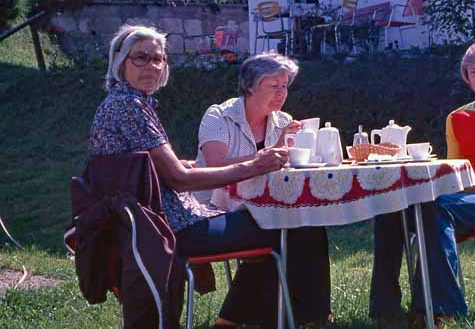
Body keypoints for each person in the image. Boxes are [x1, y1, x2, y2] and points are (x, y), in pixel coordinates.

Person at [88, 25, 328, 329]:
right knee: (288, 223)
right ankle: (296, 319)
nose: (151, 66)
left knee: (281, 222)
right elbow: (179, 181)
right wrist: (257, 164)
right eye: (141, 58)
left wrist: (177, 168)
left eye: (158, 59)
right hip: (171, 226)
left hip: (153, 221)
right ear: (120, 62)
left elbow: (149, 170)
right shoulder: (129, 106)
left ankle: (243, 318)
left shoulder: (130, 103)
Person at [369, 40, 475, 326]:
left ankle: (442, 310)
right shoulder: (457, 117)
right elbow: (452, 174)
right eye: (472, 72)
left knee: (435, 209)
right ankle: (384, 309)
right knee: (390, 207)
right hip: (461, 199)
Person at [195, 52, 332, 327]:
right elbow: (215, 165)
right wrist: (271, 152)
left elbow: (289, 170)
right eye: (274, 86)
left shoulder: (284, 121)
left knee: (310, 224)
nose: (281, 93)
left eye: (285, 86)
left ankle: (313, 314)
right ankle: (247, 318)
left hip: (268, 205)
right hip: (215, 207)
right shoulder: (219, 116)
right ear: (250, 85)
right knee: (279, 228)